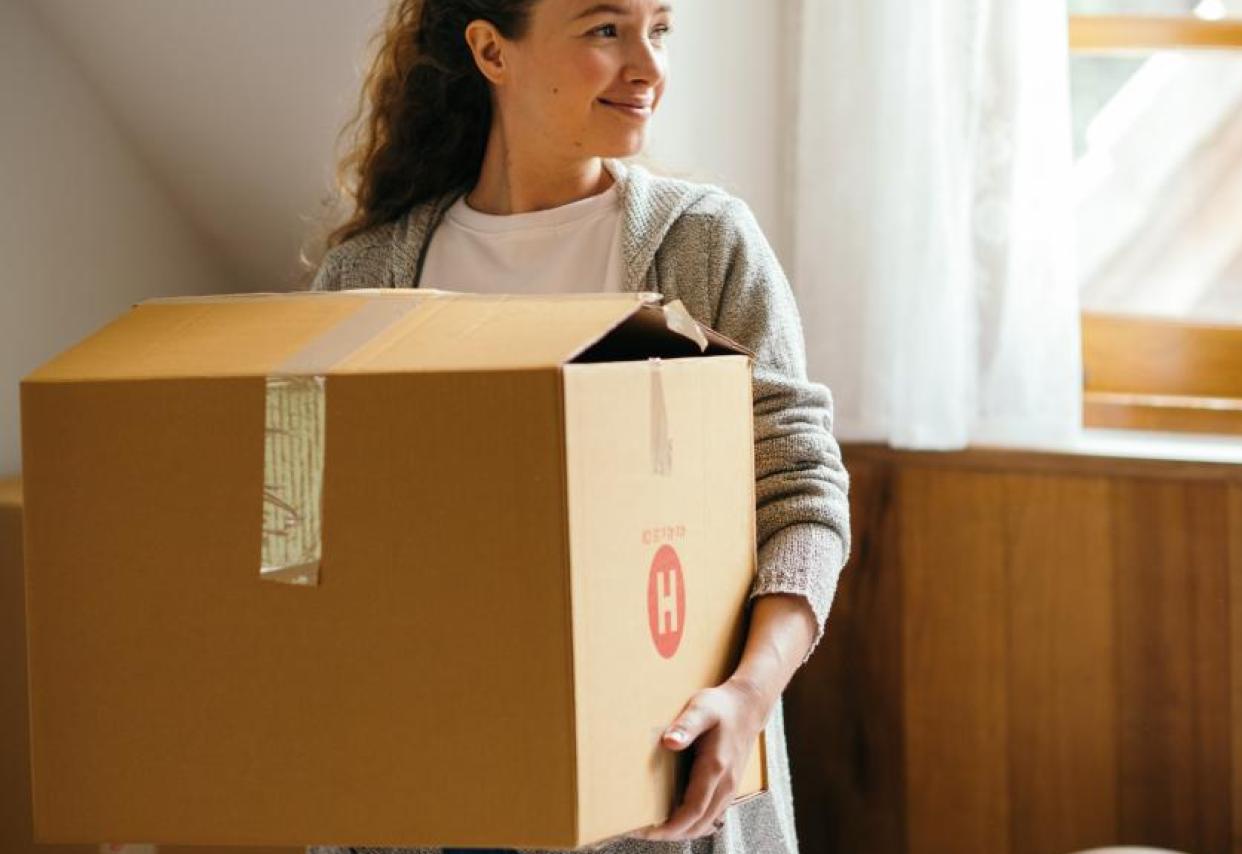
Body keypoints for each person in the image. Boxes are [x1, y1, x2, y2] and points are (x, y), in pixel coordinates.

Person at [301, 1, 851, 852]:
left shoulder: (702, 246)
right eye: (605, 30)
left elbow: (801, 495)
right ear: (491, 49)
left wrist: (750, 692)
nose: (648, 66)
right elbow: (299, 536)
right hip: (424, 796)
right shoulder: (365, 278)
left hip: (658, 802)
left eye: (658, 29)